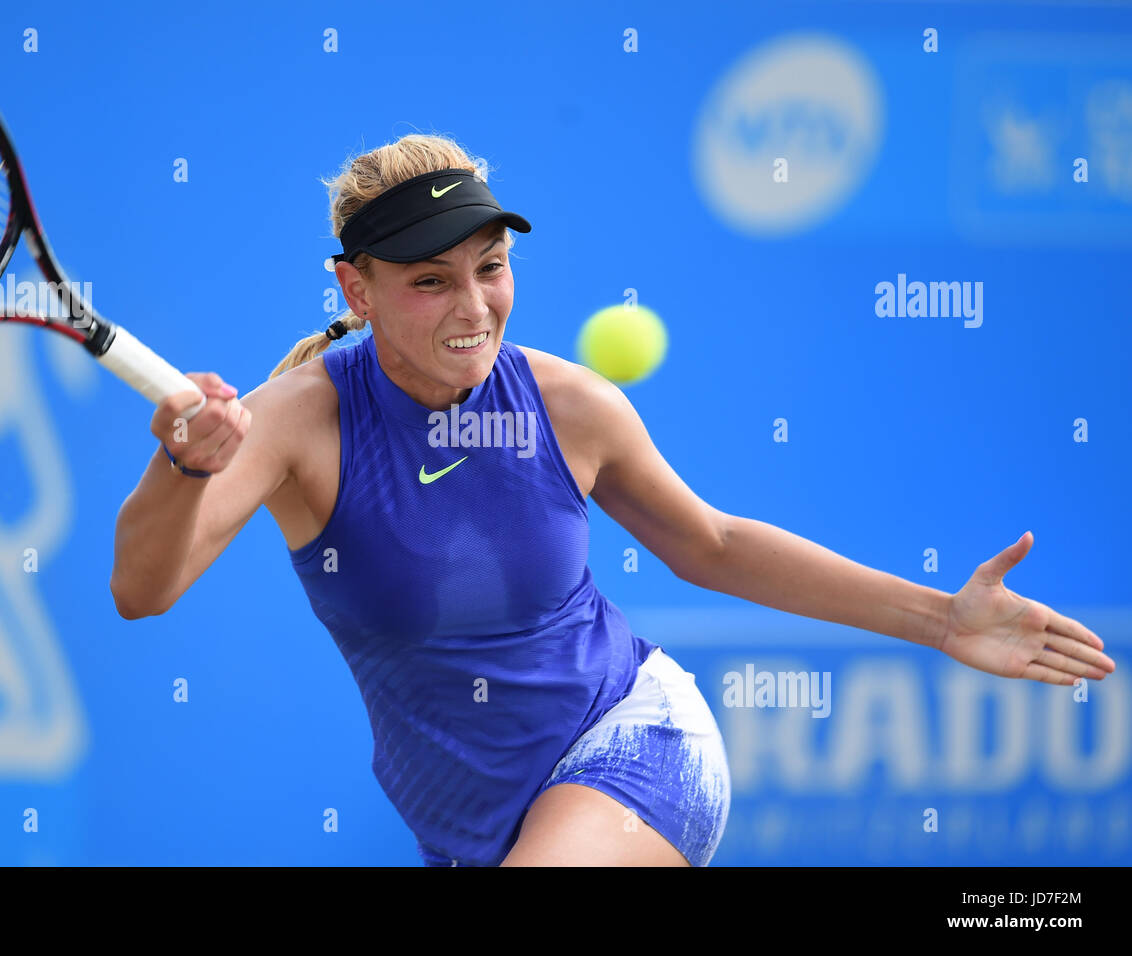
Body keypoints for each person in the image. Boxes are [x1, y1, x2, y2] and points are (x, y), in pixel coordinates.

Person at [109, 134, 1116, 867]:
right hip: (467, 827)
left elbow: (711, 542)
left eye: (491, 269)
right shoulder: (296, 422)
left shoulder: (570, 403)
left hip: (635, 741)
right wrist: (181, 465)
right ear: (356, 290)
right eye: (429, 281)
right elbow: (142, 590)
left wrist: (939, 616)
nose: (473, 308)